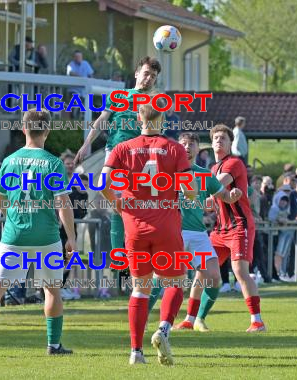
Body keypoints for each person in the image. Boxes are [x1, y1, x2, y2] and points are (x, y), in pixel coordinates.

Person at [0, 109, 76, 357]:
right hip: (45, 236)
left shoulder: (9, 161)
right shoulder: (53, 162)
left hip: (14, 234)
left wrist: (10, 217)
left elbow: (0, 198)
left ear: (24, 129)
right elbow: (63, 203)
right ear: (47, 131)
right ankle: (53, 344)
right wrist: (71, 237)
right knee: (51, 288)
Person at [99, 100, 197, 365]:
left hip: (135, 228)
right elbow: (190, 191)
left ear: (138, 119)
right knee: (176, 282)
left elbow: (102, 183)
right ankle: (164, 329)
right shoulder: (175, 148)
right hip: (166, 226)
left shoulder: (122, 148)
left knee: (140, 290)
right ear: (162, 118)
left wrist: (116, 202)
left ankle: (135, 353)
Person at [74, 56, 162, 280]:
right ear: (136, 74)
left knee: (140, 207)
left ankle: (139, 255)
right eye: (146, 73)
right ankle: (119, 257)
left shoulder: (155, 102)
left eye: (153, 76)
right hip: (114, 152)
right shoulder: (118, 97)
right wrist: (86, 145)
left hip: (140, 156)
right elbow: (102, 120)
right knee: (115, 202)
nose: (149, 78)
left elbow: (156, 131)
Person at [160, 132, 242, 333]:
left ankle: (198, 319)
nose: (187, 147)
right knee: (161, 281)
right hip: (174, 234)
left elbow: (223, 195)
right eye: (184, 144)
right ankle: (146, 321)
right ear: (177, 148)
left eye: (192, 144)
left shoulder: (205, 175)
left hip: (198, 235)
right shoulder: (168, 172)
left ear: (198, 148)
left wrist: (232, 196)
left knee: (214, 277)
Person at [205, 124, 265, 332]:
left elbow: (217, 184)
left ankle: (257, 321)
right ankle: (192, 318)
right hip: (220, 229)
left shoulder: (234, 163)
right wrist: (210, 201)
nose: (219, 141)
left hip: (240, 225)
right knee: (203, 270)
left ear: (231, 144)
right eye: (216, 138)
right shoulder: (212, 169)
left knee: (239, 270)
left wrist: (194, 191)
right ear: (211, 143)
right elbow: (214, 198)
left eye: (223, 138)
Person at [59, 150, 88, 300]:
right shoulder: (58, 181)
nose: (70, 166)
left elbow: (82, 211)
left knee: (69, 258)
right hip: (57, 229)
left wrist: (82, 193)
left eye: (72, 163)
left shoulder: (78, 184)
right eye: (67, 163)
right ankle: (55, 288)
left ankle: (63, 286)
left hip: (71, 228)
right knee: (57, 259)